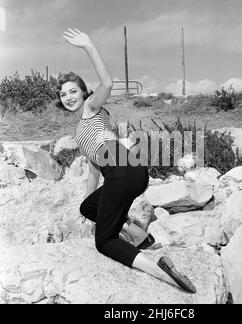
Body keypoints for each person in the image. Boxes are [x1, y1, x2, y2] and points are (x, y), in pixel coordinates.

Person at [56, 27, 196, 294]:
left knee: (104, 242)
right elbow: (94, 175)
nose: (69, 98)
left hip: (123, 171)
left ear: (84, 93)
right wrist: (89, 206)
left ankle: (160, 271)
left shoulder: (91, 109)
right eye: (63, 95)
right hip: (131, 173)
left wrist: (88, 45)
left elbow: (107, 83)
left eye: (73, 91)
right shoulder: (84, 130)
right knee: (87, 208)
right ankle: (140, 237)